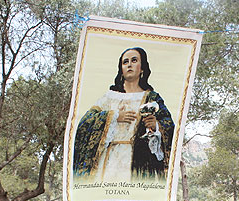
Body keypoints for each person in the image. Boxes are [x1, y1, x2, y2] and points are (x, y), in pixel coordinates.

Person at [73, 47, 175, 181]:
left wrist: (156, 126)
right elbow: (85, 124)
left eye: (134, 60)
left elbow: (169, 127)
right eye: (125, 62)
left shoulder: (152, 98)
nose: (129, 65)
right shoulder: (109, 97)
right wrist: (114, 116)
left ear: (142, 67)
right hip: (108, 162)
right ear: (121, 69)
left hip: (139, 163)